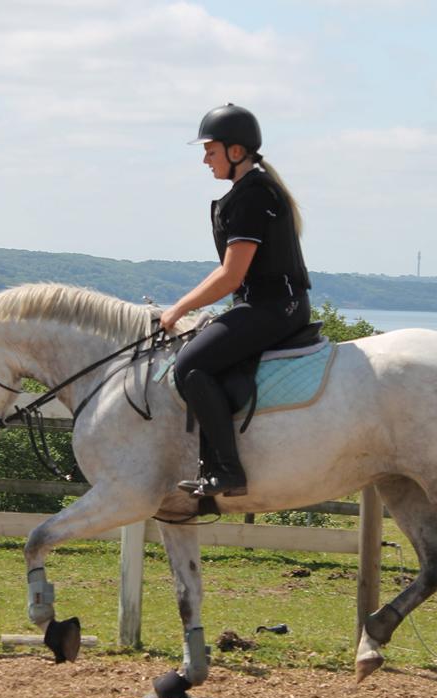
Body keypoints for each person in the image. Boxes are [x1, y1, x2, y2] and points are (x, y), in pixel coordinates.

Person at [160, 104, 312, 497]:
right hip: (264, 305)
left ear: (236, 152)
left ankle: (228, 470)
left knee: (190, 363)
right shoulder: (248, 192)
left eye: (211, 151)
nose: (205, 160)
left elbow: (231, 276)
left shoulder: (252, 197)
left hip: (276, 309)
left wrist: (179, 309)